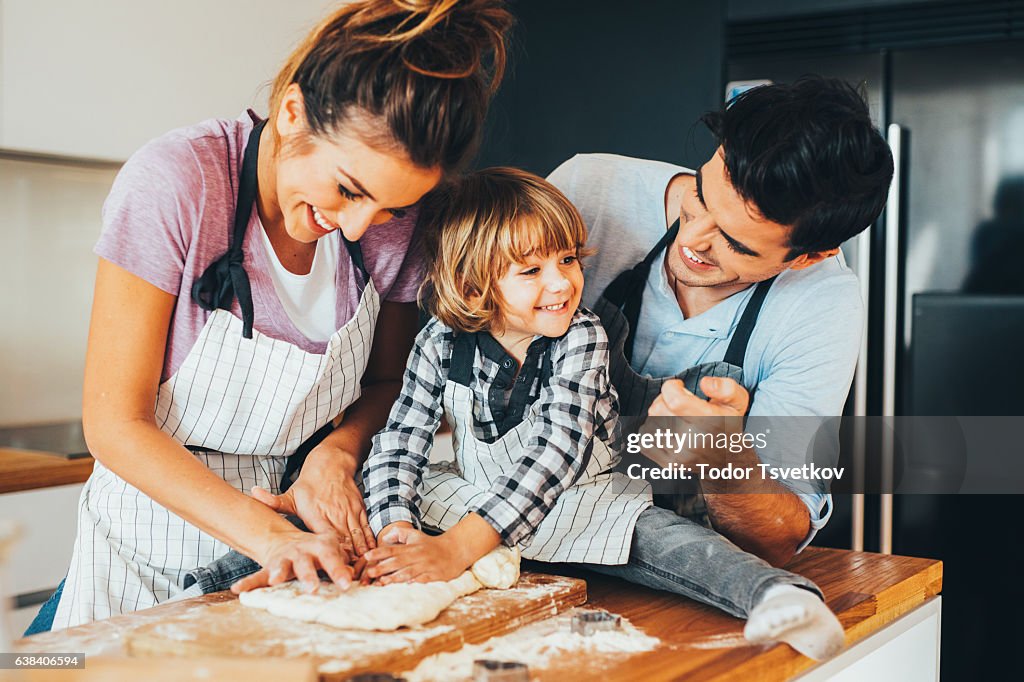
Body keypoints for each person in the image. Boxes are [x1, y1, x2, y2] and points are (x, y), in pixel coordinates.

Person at [29, 0, 512, 633]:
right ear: (291, 114)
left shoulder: (390, 227)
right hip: (144, 552)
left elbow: (388, 385)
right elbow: (116, 424)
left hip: (294, 549)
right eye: (348, 189)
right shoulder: (181, 183)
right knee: (37, 663)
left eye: (393, 208)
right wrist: (270, 536)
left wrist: (335, 455)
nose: (360, 225)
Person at [334, 167, 841, 660]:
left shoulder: (581, 336)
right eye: (531, 271)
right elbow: (401, 437)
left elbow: (560, 449)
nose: (561, 284)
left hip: (581, 502)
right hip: (474, 493)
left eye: (568, 260)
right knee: (376, 495)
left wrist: (457, 549)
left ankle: (781, 598)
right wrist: (394, 524)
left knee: (676, 545)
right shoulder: (437, 342)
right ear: (472, 289)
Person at [547, 77, 894, 566]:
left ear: (808, 257)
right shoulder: (589, 193)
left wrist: (726, 464)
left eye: (736, 243)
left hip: (670, 574)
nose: (692, 236)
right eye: (703, 196)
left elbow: (781, 539)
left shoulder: (821, 306)